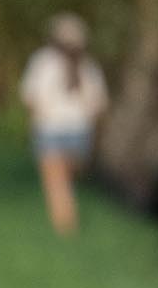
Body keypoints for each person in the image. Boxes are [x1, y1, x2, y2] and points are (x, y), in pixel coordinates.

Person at [20, 12, 107, 237]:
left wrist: (36, 118)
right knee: (66, 183)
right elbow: (99, 104)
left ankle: (66, 231)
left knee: (57, 185)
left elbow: (30, 97)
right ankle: (68, 227)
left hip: (50, 129)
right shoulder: (89, 67)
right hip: (79, 132)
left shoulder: (43, 61)